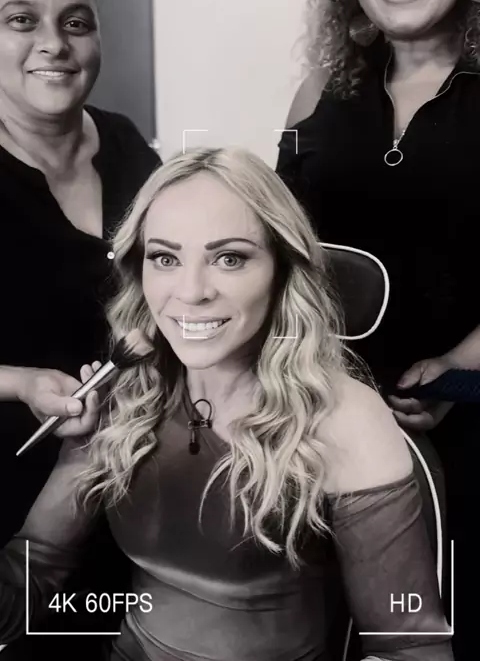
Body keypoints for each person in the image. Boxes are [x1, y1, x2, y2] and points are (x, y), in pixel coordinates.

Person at [0, 147, 453, 660]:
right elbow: (26, 580)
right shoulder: (125, 392)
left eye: (229, 258)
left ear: (282, 268)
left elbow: (412, 649)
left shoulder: (344, 417)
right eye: (165, 258)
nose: (191, 292)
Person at [275, 0, 480, 659]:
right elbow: (278, 250)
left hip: (462, 422)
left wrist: (464, 365)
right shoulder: (320, 90)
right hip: (318, 420)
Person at [0, 0, 161, 655]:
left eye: (75, 22)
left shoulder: (128, 146)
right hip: (19, 518)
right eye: (20, 21)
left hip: (132, 496)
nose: (54, 44)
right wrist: (21, 382)